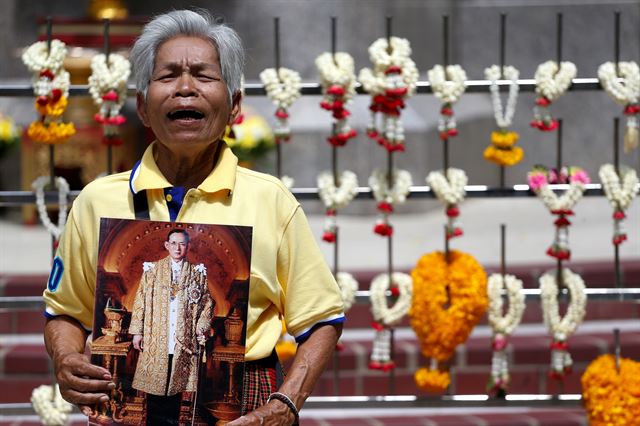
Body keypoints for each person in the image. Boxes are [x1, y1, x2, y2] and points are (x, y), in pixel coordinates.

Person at [42, 8, 344, 426]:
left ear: (234, 105)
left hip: (240, 404)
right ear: (143, 107)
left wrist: (284, 406)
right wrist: (67, 357)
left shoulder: (271, 201)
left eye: (204, 76)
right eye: (167, 76)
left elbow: (322, 319)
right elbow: (65, 311)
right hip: (134, 389)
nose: (185, 88)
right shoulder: (96, 200)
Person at [129, 229, 213, 423]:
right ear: (166, 245)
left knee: (175, 386)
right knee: (156, 388)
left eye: (182, 244)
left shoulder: (197, 273)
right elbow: (140, 300)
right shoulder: (152, 271)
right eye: (173, 243)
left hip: (183, 340)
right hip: (157, 337)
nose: (177, 247)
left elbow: (207, 303)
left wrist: (201, 327)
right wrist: (137, 332)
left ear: (187, 246)